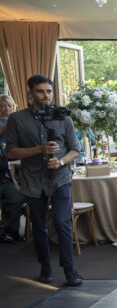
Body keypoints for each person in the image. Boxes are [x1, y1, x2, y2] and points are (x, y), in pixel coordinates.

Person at [5, 75, 82, 285]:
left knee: (62, 222)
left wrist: (61, 161)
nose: (46, 95)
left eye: (48, 91)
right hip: (33, 180)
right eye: (40, 91)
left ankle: (70, 270)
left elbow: (75, 150)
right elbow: (10, 152)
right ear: (30, 93)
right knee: (39, 226)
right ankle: (45, 269)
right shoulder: (17, 119)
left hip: (60, 178)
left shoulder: (63, 117)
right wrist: (39, 149)